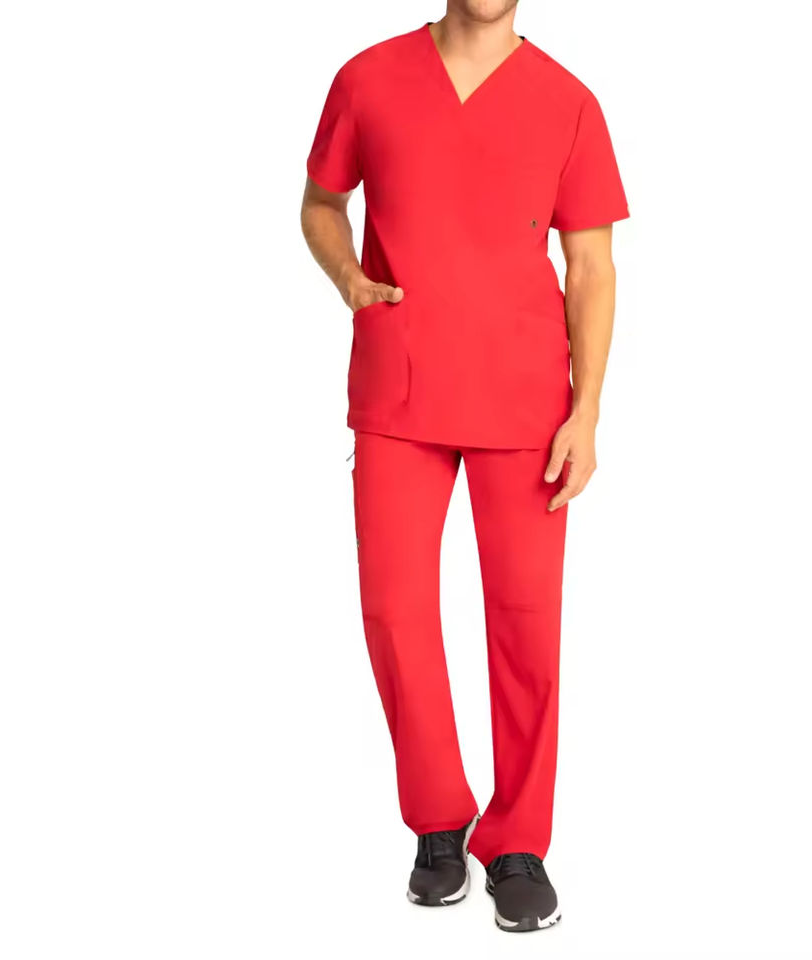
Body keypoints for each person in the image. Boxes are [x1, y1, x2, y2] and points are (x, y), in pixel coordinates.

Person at [300, 1, 628, 933]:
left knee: (526, 626)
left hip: (525, 401)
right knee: (393, 608)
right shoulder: (368, 79)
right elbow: (321, 204)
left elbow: (592, 266)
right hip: (399, 386)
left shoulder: (568, 102)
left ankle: (518, 843)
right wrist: (349, 279)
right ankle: (439, 823)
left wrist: (587, 411)